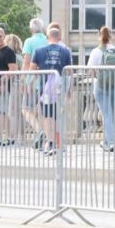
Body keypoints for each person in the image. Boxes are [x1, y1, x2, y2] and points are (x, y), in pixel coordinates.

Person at [29, 26, 73, 157]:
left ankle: (51, 143)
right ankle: (58, 143)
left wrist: (30, 83)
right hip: (60, 88)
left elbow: (31, 71)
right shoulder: (66, 51)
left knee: (47, 116)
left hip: (45, 89)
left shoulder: (39, 51)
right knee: (57, 116)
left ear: (47, 38)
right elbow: (70, 72)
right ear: (60, 38)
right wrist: (69, 89)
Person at [87, 26, 115, 152]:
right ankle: (107, 141)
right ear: (111, 35)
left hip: (101, 85)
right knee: (112, 115)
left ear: (99, 35)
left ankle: (111, 142)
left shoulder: (96, 51)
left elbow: (90, 71)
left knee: (106, 114)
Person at [21, 19, 48, 147]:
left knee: (26, 109)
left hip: (33, 81)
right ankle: (44, 136)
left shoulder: (29, 41)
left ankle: (39, 131)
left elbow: (26, 62)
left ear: (31, 29)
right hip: (48, 80)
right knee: (43, 111)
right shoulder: (47, 40)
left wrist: (24, 80)